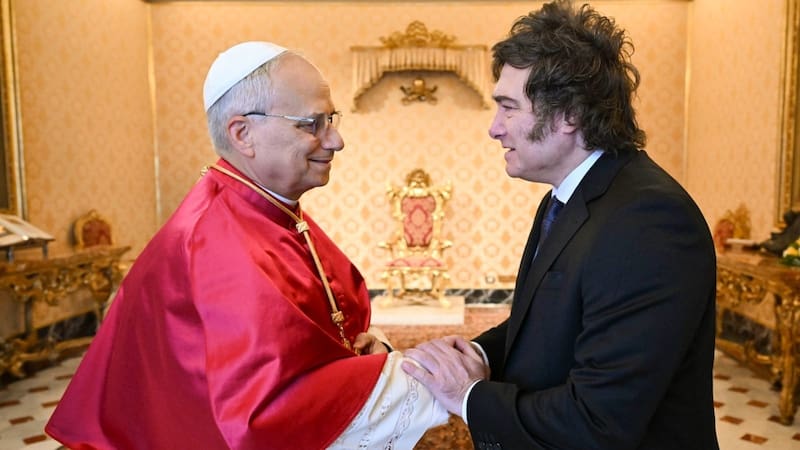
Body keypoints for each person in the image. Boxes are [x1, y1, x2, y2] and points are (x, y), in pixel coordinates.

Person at [46, 41, 447, 449]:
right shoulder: (217, 242)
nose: (336, 140)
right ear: (243, 134)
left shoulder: (268, 209)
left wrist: (372, 348)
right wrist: (430, 380)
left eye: (331, 119)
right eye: (312, 124)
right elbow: (270, 413)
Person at [401, 1, 720, 449]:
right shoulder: (571, 196)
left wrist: (468, 396)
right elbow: (549, 326)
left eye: (508, 107)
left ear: (569, 114)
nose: (494, 128)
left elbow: (599, 421)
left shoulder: (649, 221)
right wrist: (477, 353)